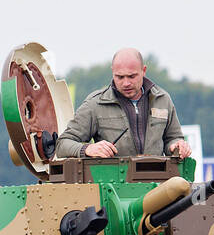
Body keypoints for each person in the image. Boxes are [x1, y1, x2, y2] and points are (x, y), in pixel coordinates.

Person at [55, 48, 192, 159]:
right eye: (120, 77)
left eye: (132, 76)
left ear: (143, 71)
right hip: (112, 187)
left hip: (158, 185)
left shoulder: (162, 100)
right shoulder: (95, 104)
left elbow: (173, 138)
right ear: (112, 72)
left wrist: (177, 146)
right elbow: (62, 144)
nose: (126, 83)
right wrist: (88, 149)